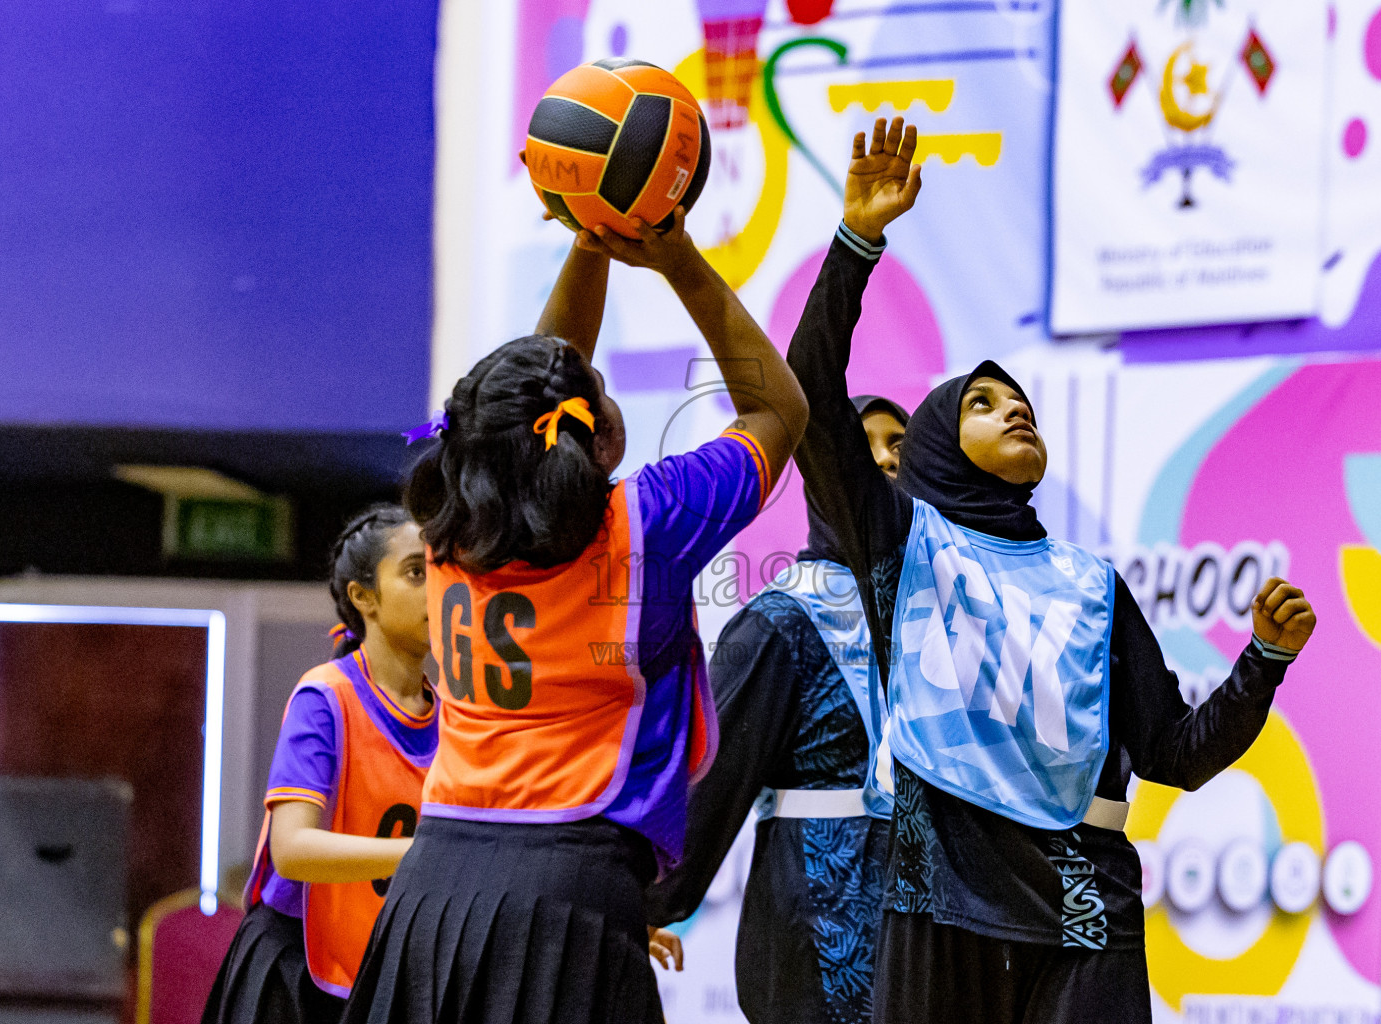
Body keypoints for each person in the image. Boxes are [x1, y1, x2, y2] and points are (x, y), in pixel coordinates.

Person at [786, 117, 1318, 1023]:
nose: (1013, 410)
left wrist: (1261, 663)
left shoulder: (1091, 584)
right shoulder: (901, 543)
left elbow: (1174, 757)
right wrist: (857, 241)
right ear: (932, 450)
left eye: (1020, 400)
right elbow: (810, 387)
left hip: (1082, 902)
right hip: (937, 896)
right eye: (982, 403)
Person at [340, 207, 807, 1024]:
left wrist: (588, 246)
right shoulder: (644, 522)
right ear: (599, 433)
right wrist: (678, 258)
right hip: (568, 884)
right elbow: (778, 415)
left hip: (434, 877)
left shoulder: (452, 518)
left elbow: (534, 390)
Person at [646, 394, 908, 1024]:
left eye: (899, 444)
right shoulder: (779, 620)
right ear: (817, 472)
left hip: (924, 938)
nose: (883, 459)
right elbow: (707, 782)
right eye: (860, 443)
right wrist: (640, 907)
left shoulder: (939, 616)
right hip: (814, 932)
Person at [204, 506, 438, 1024]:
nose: (437, 587)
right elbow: (292, 850)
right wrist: (422, 855)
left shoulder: (454, 718)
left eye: (443, 571)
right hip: (294, 970)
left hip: (383, 966)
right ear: (364, 597)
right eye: (416, 571)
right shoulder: (326, 696)